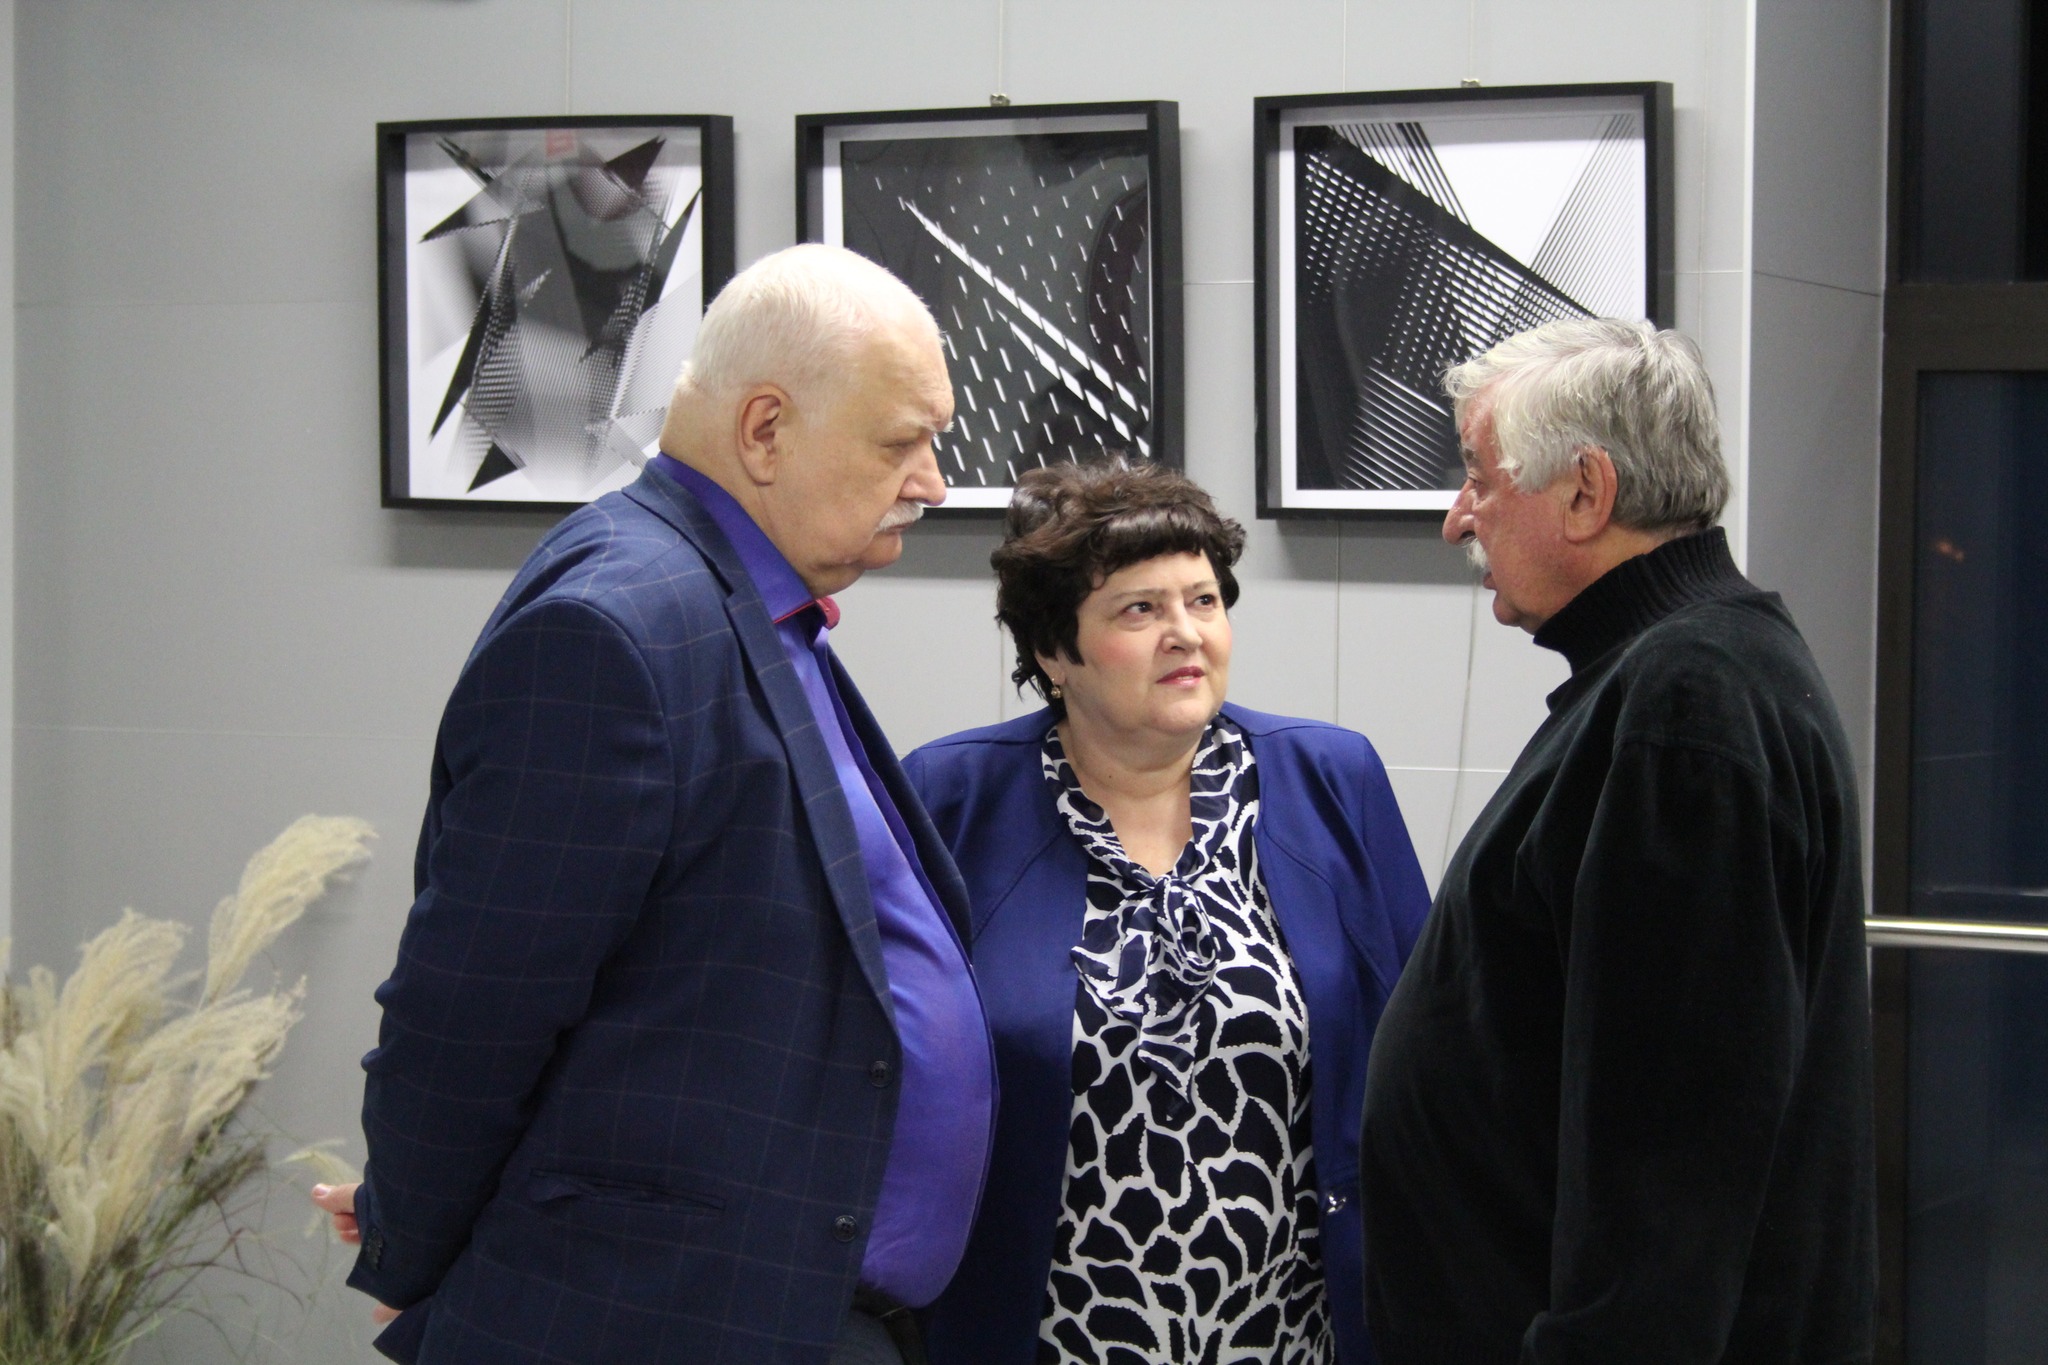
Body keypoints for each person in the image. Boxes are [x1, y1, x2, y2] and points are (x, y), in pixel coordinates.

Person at [311, 244, 996, 1365]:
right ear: (764, 430)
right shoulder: (619, 629)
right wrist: (414, 1258)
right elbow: (471, 1007)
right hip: (654, 1321)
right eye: (900, 442)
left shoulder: (737, 600)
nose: (931, 482)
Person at [1360, 318, 1875, 1363]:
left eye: (1479, 479)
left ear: (1586, 493)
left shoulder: (1686, 701)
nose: (1457, 520)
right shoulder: (1687, 670)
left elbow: (1672, 1162)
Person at [901, 459, 1432, 1365]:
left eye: (1204, 600)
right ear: (1054, 651)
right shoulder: (952, 798)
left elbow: (1420, 1049)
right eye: (1140, 609)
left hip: (1292, 1334)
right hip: (1047, 1333)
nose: (1186, 633)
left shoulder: (1330, 778)